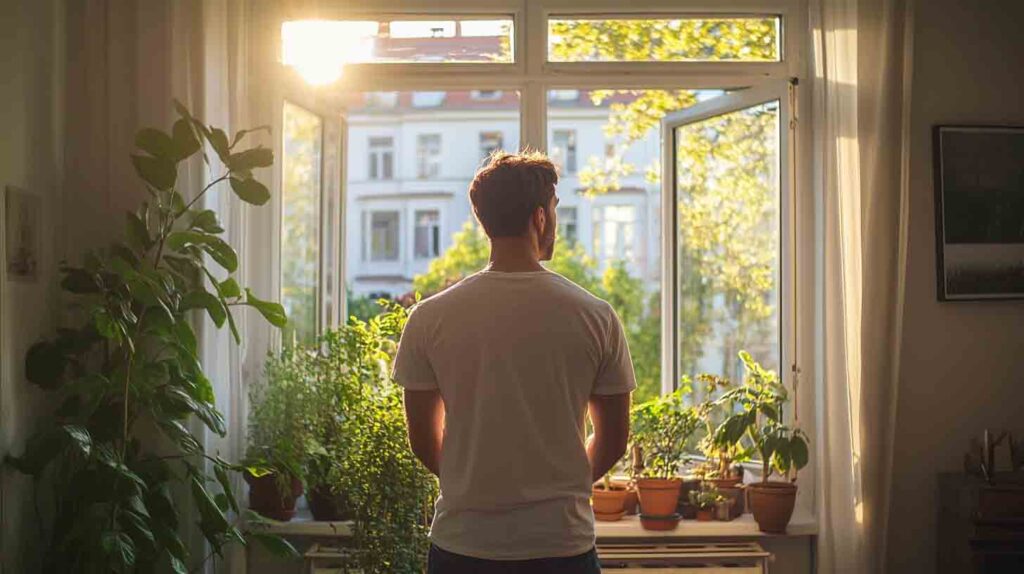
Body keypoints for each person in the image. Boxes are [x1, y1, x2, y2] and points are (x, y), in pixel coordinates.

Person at [394, 151, 636, 573]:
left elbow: (423, 440)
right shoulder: (595, 315)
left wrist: (473, 482)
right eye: (556, 211)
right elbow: (613, 438)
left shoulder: (429, 318)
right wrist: (563, 485)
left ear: (484, 220)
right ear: (540, 218)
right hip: (561, 544)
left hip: (462, 544)